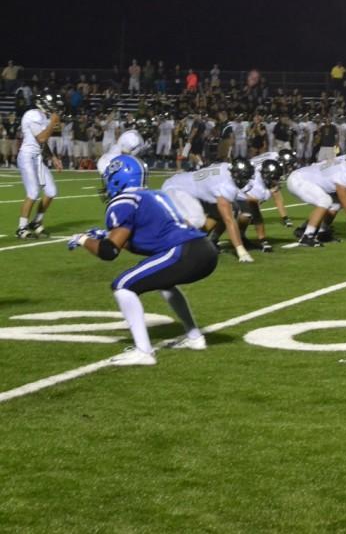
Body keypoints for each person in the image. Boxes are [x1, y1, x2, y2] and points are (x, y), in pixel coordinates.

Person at [67, 156, 218, 366]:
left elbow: (109, 252)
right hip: (204, 250)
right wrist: (105, 236)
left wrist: (83, 239)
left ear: (118, 179)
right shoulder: (155, 195)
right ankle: (195, 338)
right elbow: (145, 243)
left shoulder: (122, 201)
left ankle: (143, 352)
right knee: (164, 284)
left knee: (122, 286)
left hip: (183, 250)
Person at [162, 157, 257, 263]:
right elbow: (229, 220)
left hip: (185, 184)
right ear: (238, 175)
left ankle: (197, 243)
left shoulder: (226, 168)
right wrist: (241, 251)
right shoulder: (225, 185)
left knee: (221, 212)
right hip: (176, 189)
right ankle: (173, 247)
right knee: (195, 219)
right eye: (245, 177)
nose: (247, 180)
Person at [285, 147, 346, 247]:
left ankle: (321, 232)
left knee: (336, 203)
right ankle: (307, 236)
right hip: (299, 179)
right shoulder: (345, 173)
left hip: (307, 178)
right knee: (325, 201)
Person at [16, 91, 63, 238]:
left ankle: (36, 222)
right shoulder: (32, 114)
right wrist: (52, 122)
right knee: (33, 192)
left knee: (51, 191)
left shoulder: (42, 116)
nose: (55, 108)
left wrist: (53, 157)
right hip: (27, 157)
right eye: (53, 104)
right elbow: (42, 138)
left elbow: (43, 142)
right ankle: (22, 227)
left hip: (37, 158)